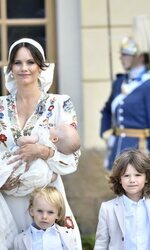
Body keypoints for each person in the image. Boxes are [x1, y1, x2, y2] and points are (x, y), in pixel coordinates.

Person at [0, 38, 82, 249]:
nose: (24, 68)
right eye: (17, 63)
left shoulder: (60, 103)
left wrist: (42, 151)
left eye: (30, 62)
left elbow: (72, 157)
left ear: (40, 66)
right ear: (10, 68)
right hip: (8, 202)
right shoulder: (1, 105)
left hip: (46, 200)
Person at [100, 15, 150, 197]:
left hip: (140, 156)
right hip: (117, 153)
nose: (121, 57)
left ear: (139, 57)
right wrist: (107, 133)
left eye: (126, 54)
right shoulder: (120, 82)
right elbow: (107, 109)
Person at [94, 149, 150, 249]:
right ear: (119, 179)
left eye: (137, 175)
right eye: (126, 176)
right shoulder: (108, 208)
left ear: (147, 178)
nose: (132, 180)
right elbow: (101, 243)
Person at [0, 123, 80, 196]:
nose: (51, 127)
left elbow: (23, 141)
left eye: (55, 128)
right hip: (37, 183)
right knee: (49, 176)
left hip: (43, 199)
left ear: (55, 139)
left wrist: (40, 150)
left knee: (11, 169)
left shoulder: (44, 136)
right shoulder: (56, 145)